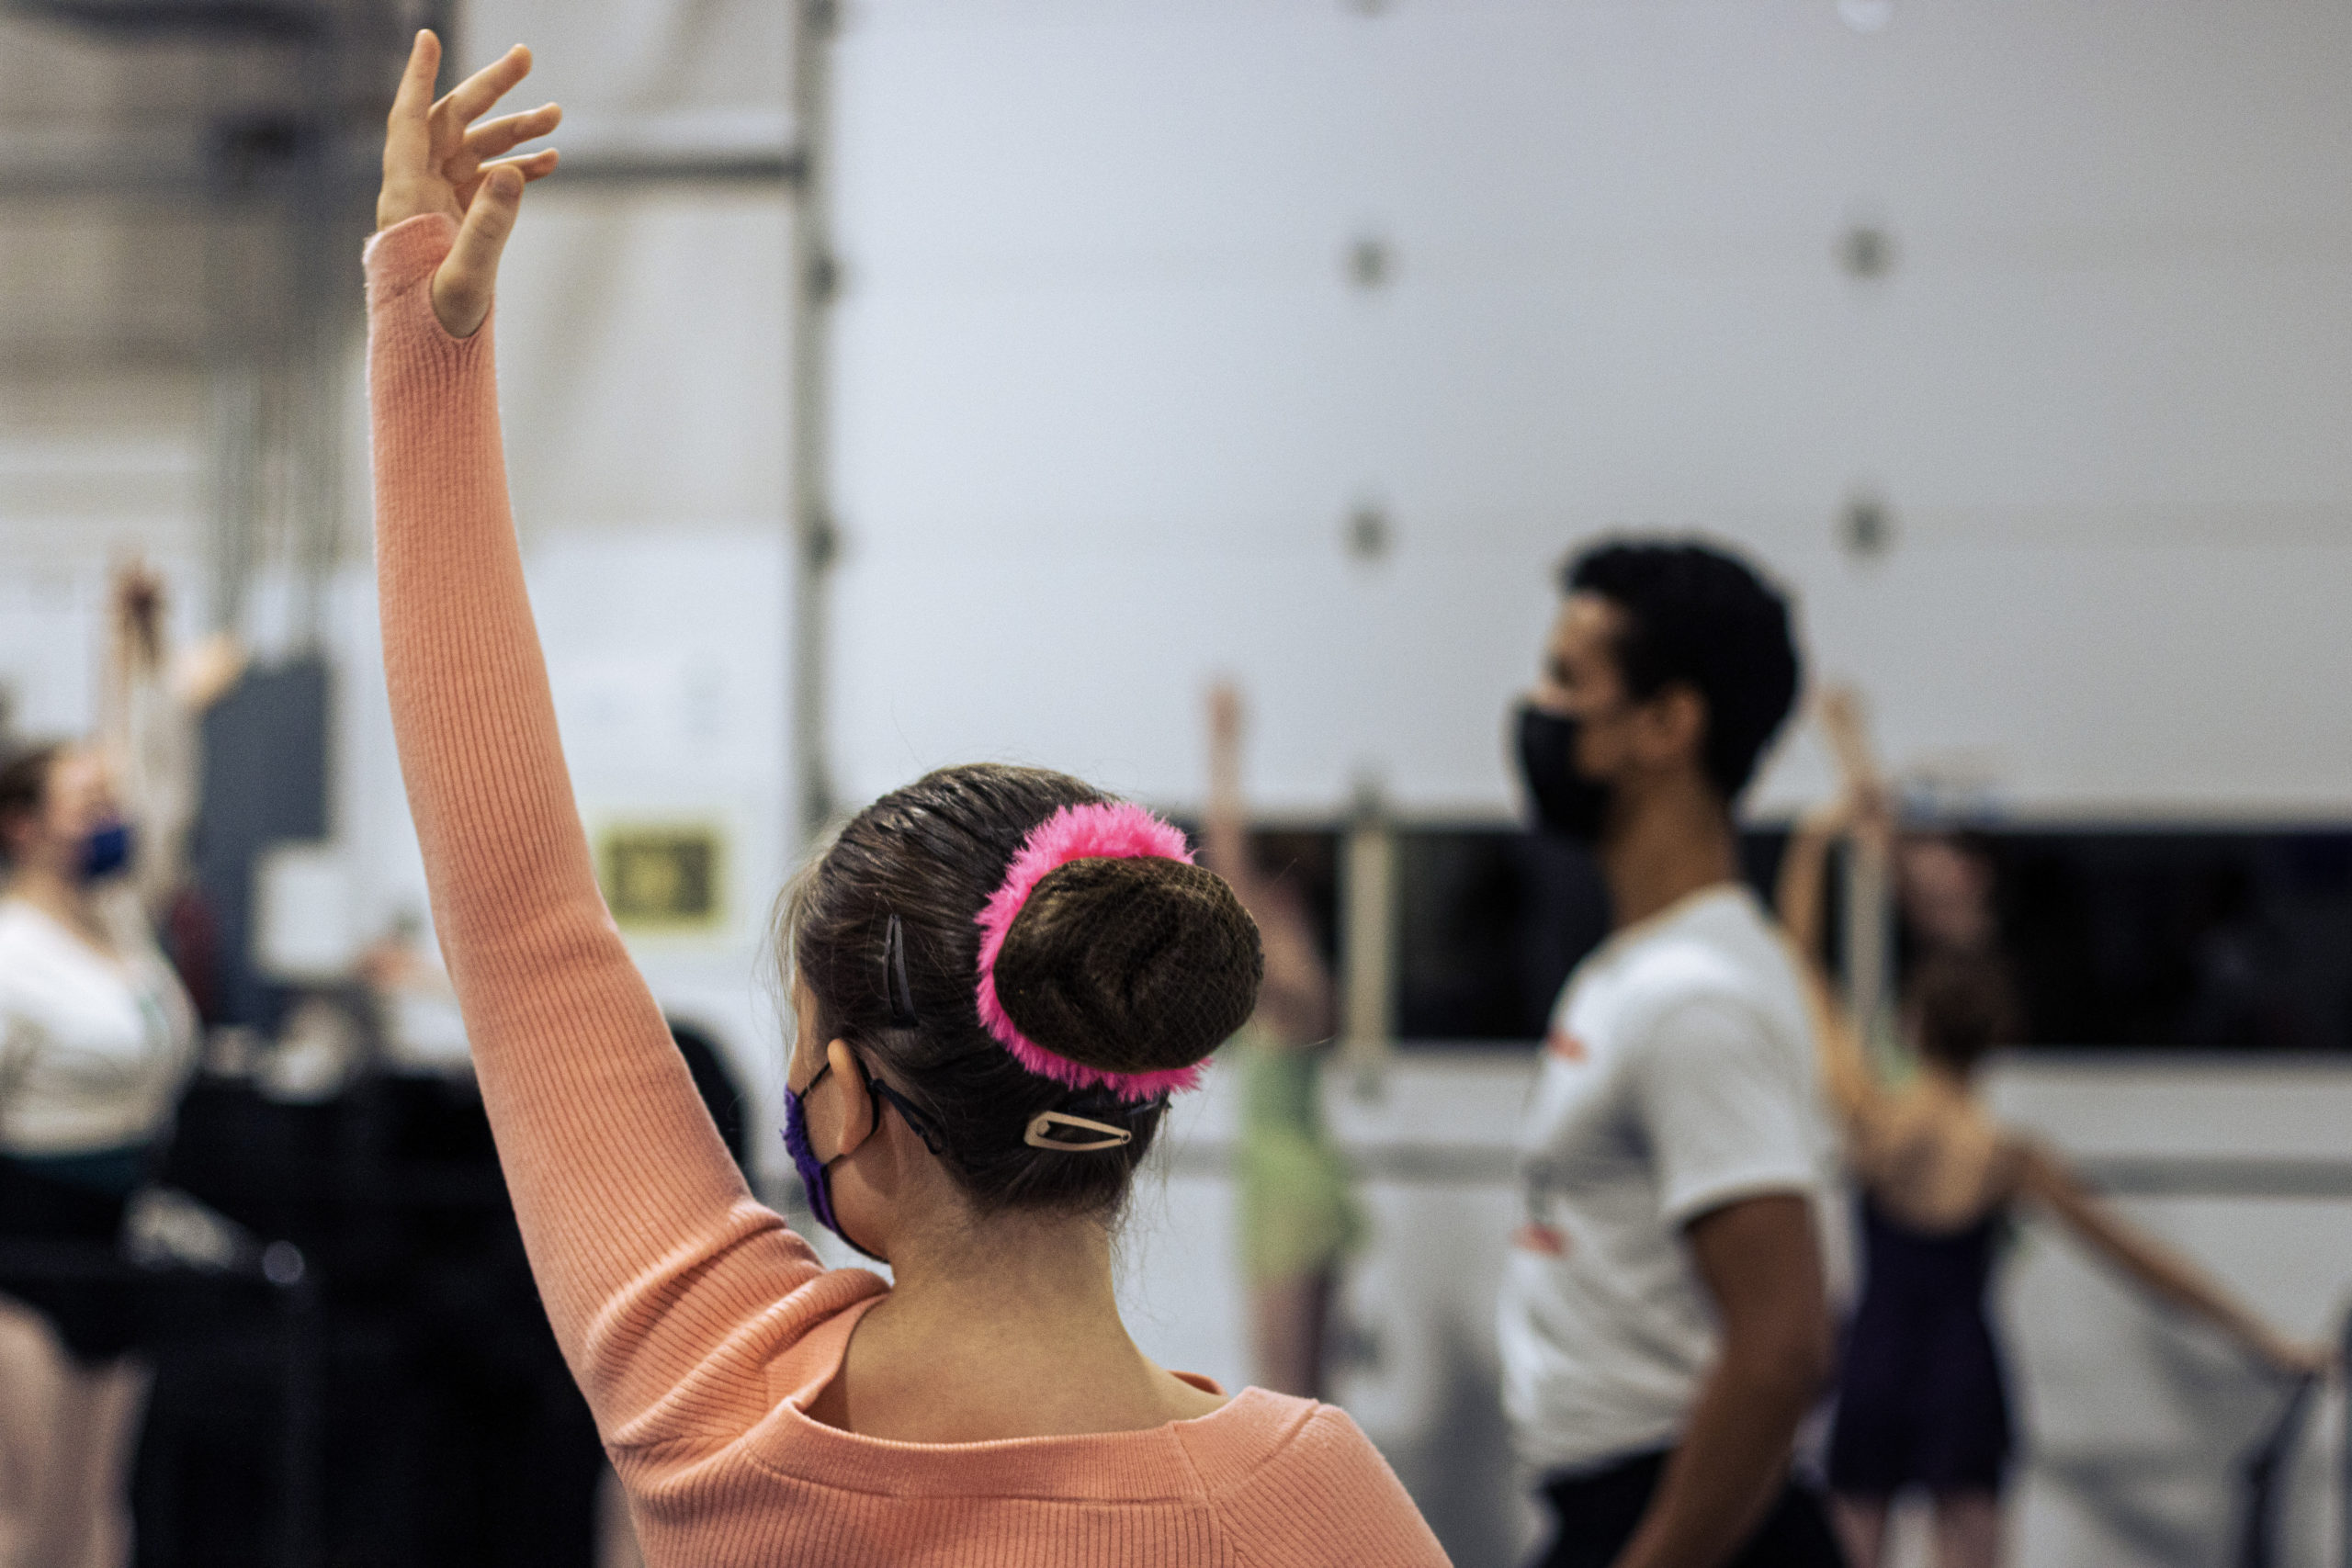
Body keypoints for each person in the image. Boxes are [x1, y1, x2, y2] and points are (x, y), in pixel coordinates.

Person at [365, 33, 1446, 1566]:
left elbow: (515, 904)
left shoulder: (715, 1395)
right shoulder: (1308, 1501)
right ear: (1126, 1091)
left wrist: (429, 338)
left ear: (844, 1102)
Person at [1777, 690, 2332, 1568]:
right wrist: (2267, 1339)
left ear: (1913, 1026)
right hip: (1963, 1371)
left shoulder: (1871, 1119)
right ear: (1997, 1037)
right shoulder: (2004, 1158)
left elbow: (1800, 968)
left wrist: (1814, 842)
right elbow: (2143, 1261)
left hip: (1878, 1361)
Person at [1500, 539, 1844, 1568]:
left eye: (1568, 678)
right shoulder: (1632, 970)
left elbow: (1782, 1346)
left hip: (1683, 1516)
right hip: (1614, 1505)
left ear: (1666, 724)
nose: (1537, 707)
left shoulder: (1693, 1000)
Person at [0, 566, 212, 1568]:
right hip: (22, 1249)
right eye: (86, 802)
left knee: (96, 1521)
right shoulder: (10, 955)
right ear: (24, 827)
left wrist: (135, 651)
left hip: (113, 1234)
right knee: (24, 1518)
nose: (111, 813)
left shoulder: (120, 922)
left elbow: (160, 779)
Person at [1200, 682, 1363, 1400]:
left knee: (1285, 1394)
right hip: (1300, 1179)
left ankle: (1313, 1514)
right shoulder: (1304, 982)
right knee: (1307, 1393)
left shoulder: (1290, 981)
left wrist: (1225, 742)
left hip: (1285, 1190)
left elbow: (1228, 860)